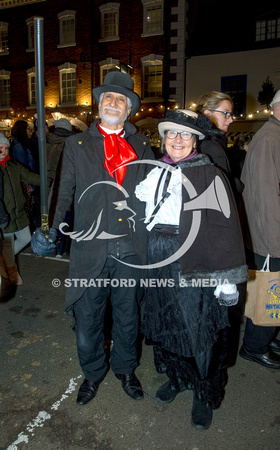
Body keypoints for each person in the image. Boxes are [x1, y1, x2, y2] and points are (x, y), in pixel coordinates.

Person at [135, 109, 248, 430]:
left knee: (199, 329)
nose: (177, 140)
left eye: (185, 134)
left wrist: (225, 281)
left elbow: (224, 230)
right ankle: (177, 377)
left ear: (196, 140)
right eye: (171, 133)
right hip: (159, 259)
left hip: (194, 261)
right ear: (163, 138)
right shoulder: (156, 171)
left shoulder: (208, 174)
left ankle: (203, 391)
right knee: (166, 322)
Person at [49, 72, 154, 405]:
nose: (113, 102)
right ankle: (93, 373)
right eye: (108, 97)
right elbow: (62, 191)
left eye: (120, 99)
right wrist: (50, 229)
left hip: (132, 248)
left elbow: (156, 194)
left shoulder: (141, 145)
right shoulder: (76, 144)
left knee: (128, 315)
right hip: (90, 248)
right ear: (99, 104)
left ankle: (125, 369)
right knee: (88, 316)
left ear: (128, 110)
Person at [239, 90, 280, 369]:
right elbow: (266, 197)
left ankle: (266, 337)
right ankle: (255, 346)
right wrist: (274, 241)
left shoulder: (272, 135)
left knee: (270, 292)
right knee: (270, 293)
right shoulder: (270, 138)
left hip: (268, 232)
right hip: (270, 235)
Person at [0, 133, 40, 285]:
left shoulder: (13, 165)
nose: (4, 151)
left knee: (26, 239)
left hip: (19, 213)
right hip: (5, 215)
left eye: (5, 148)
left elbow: (30, 176)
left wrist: (48, 180)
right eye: (0, 148)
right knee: (9, 246)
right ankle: (12, 275)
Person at [195, 91, 244, 199]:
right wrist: (238, 184)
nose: (231, 120)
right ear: (207, 113)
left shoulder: (200, 140)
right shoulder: (210, 146)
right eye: (226, 113)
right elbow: (223, 189)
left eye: (231, 114)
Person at [47, 118, 75, 257]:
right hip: (61, 182)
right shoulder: (68, 144)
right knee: (64, 214)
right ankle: (60, 248)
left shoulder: (47, 142)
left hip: (47, 183)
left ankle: (52, 244)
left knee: (51, 214)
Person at [10, 119, 40, 231]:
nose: (30, 132)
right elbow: (23, 169)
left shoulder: (24, 145)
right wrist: (31, 186)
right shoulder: (19, 148)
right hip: (27, 184)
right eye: (28, 129)